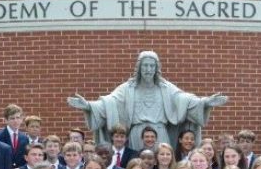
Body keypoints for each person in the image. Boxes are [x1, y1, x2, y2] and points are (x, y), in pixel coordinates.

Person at [67, 50, 227, 151]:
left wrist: (205, 102)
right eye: (145, 66)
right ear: (139, 68)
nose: (148, 69)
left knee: (162, 163)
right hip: (137, 134)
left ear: (157, 68)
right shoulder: (128, 88)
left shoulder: (165, 87)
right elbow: (110, 102)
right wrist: (88, 106)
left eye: (152, 66)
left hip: (161, 133)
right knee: (137, 167)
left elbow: (184, 99)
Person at [0, 104, 29, 168]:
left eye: (18, 117)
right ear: (6, 120)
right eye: (12, 118)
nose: (15, 121)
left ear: (21, 119)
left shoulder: (25, 138)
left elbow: (25, 159)